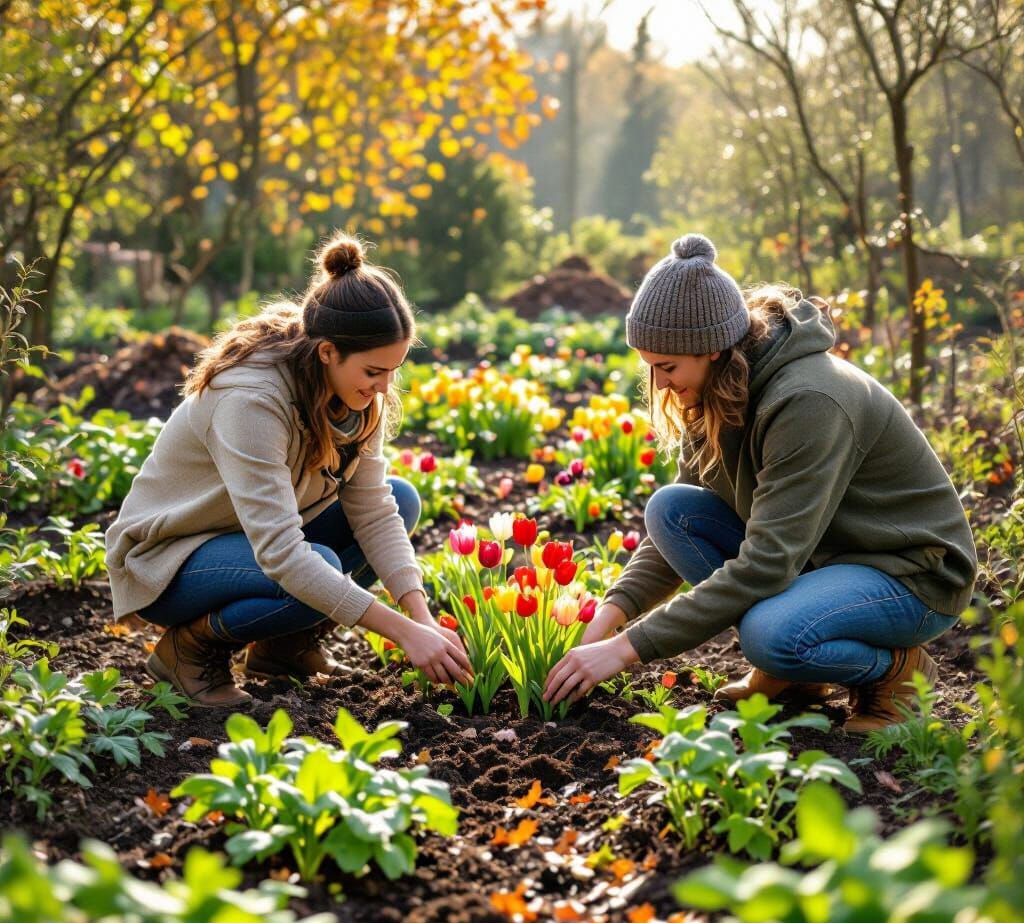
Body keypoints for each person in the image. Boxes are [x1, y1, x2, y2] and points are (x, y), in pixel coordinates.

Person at [543, 234, 977, 733]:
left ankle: (895, 675)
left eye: (666, 366)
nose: (659, 383)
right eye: (650, 367)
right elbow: (678, 534)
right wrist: (607, 618)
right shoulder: (720, 387)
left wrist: (625, 650)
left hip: (908, 573)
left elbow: (768, 563)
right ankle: (796, 678)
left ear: (710, 349)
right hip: (823, 559)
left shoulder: (809, 400)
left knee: (772, 636)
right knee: (673, 509)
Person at [106, 232, 471, 707]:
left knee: (400, 500)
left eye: (392, 371)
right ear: (327, 353)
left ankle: (283, 649)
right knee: (315, 567)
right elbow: (281, 553)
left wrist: (422, 619)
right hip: (170, 559)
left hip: (246, 540)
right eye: (373, 372)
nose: (383, 388)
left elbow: (374, 511)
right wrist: (402, 633)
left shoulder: (354, 394)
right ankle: (188, 650)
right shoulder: (251, 400)